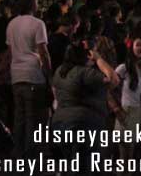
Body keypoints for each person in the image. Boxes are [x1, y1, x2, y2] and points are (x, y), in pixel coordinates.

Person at [51, 41, 119, 173]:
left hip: (59, 122)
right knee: (84, 167)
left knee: (68, 166)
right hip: (83, 124)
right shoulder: (85, 73)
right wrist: (99, 59)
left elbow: (54, 93)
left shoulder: (60, 71)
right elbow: (113, 79)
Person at [7, 0, 51, 159]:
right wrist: (49, 73)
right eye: (37, 2)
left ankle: (17, 151)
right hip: (33, 74)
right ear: (33, 5)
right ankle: (31, 153)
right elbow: (43, 52)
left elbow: (11, 52)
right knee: (34, 117)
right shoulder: (38, 24)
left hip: (16, 75)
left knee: (19, 116)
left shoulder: (11, 24)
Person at [114, 38, 141, 161]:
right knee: (125, 156)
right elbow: (109, 88)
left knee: (137, 155)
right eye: (138, 45)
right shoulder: (123, 68)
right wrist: (116, 108)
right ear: (131, 48)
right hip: (127, 111)